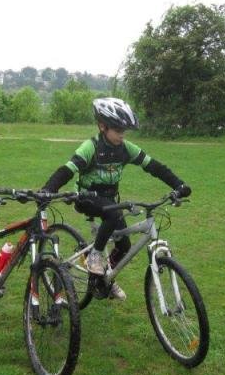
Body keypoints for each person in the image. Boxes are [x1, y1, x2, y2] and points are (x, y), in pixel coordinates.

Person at [41, 97, 191, 300]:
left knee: (124, 246)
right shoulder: (91, 147)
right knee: (112, 214)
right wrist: (48, 189)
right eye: (118, 130)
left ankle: (103, 279)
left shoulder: (126, 148)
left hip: (111, 201)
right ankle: (94, 256)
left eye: (124, 131)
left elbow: (154, 167)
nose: (122, 135)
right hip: (86, 198)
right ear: (102, 126)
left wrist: (178, 185)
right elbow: (68, 170)